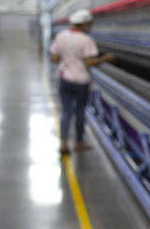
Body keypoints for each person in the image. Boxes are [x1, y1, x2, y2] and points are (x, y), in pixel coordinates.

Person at [49, 8, 115, 155]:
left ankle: (64, 144)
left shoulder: (61, 36)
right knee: (79, 112)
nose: (90, 25)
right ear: (84, 24)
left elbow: (53, 58)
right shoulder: (86, 40)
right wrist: (105, 58)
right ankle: (79, 142)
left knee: (66, 112)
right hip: (81, 81)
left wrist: (66, 59)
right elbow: (90, 62)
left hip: (65, 78)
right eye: (89, 23)